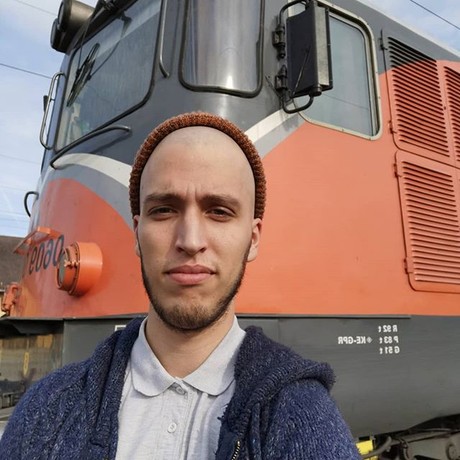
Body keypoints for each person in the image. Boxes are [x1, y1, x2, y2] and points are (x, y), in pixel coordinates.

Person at [0, 112, 360, 459]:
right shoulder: (42, 411)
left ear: (253, 239)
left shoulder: (305, 416)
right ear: (137, 233)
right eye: (164, 210)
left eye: (219, 211)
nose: (190, 241)